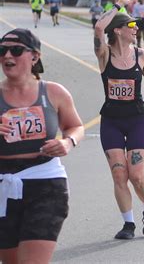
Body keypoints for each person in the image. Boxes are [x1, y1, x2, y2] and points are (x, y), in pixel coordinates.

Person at [0, 28, 84, 263]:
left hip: (46, 183)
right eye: (2, 51)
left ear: (34, 56)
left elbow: (75, 126)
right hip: (4, 185)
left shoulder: (54, 92)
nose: (8, 56)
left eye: (16, 50)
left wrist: (68, 142)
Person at [94, 0, 144, 240]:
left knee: (136, 175)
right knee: (119, 174)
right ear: (119, 30)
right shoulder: (104, 55)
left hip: (136, 119)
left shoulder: (141, 55)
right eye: (132, 27)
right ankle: (128, 224)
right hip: (111, 120)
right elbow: (99, 28)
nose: (136, 30)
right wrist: (118, 4)